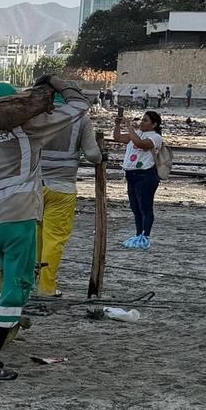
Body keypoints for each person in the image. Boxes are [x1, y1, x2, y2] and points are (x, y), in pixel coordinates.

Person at [0, 77, 88, 382]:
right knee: (18, 290)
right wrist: (55, 83)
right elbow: (79, 106)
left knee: (7, 285)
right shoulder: (29, 128)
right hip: (19, 215)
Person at [36, 93, 103, 297]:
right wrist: (102, 156)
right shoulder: (81, 121)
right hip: (62, 188)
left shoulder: (38, 118)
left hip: (33, 187)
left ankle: (29, 282)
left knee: (35, 236)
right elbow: (92, 155)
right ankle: (46, 288)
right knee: (54, 239)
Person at [114, 110, 163, 250]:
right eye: (142, 119)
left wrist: (129, 126)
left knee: (145, 207)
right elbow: (118, 137)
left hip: (146, 175)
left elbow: (140, 143)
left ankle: (145, 235)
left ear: (154, 125)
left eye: (145, 120)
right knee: (135, 207)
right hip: (132, 174)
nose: (142, 122)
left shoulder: (155, 137)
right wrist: (117, 125)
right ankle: (138, 234)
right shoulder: (138, 133)